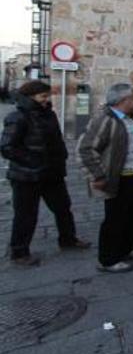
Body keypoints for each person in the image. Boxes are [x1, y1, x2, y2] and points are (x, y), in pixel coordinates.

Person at [78, 83, 133, 273]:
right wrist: (98, 175)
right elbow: (86, 148)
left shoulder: (131, 118)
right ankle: (108, 259)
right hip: (119, 179)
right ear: (122, 101)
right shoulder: (105, 120)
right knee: (116, 218)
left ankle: (129, 247)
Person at [2, 81, 90, 266]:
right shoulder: (17, 117)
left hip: (52, 172)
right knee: (26, 214)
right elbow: (7, 147)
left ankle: (68, 239)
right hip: (26, 176)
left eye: (47, 95)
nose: (46, 99)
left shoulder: (49, 114)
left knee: (63, 208)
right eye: (43, 96)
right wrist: (32, 160)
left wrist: (62, 155)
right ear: (31, 97)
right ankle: (19, 252)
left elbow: (55, 139)